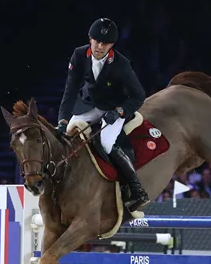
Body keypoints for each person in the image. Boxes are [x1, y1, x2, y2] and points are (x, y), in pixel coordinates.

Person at [56, 17, 149, 212]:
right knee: (66, 137)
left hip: (114, 108)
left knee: (106, 144)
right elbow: (70, 90)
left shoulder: (121, 64)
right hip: (88, 105)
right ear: (90, 39)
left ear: (112, 45)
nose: (99, 46)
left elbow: (139, 95)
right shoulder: (79, 54)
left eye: (105, 43)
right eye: (97, 41)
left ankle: (137, 189)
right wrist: (62, 120)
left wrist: (119, 111)